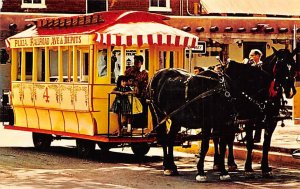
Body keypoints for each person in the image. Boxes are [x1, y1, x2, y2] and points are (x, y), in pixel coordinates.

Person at [245, 49, 264, 143]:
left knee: (258, 118)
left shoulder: (261, 65)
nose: (250, 57)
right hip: (250, 92)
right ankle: (247, 135)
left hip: (259, 93)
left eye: (252, 55)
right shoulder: (249, 64)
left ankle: (257, 137)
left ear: (257, 56)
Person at [125, 55, 148, 128]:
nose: (135, 64)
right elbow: (126, 81)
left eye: (137, 62)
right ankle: (129, 127)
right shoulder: (129, 71)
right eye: (135, 62)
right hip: (130, 95)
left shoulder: (144, 73)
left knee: (141, 111)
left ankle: (140, 126)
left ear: (141, 63)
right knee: (129, 112)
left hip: (140, 95)